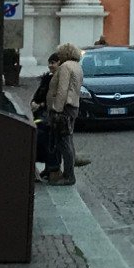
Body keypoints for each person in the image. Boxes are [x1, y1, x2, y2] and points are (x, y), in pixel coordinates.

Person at [44, 43, 84, 184]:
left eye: (59, 53)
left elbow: (62, 90)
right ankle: (69, 173)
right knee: (68, 140)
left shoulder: (65, 67)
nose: (58, 55)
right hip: (73, 106)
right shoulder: (77, 66)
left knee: (64, 142)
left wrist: (56, 109)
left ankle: (68, 176)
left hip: (64, 108)